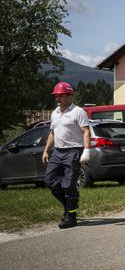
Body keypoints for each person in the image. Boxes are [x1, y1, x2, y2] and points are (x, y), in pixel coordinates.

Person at [41, 82, 91, 229]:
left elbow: (86, 132)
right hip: (57, 152)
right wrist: (46, 150)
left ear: (69, 96)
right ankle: (70, 206)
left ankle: (71, 215)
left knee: (68, 185)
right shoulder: (55, 112)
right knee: (50, 180)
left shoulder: (78, 112)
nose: (58, 98)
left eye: (61, 95)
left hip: (73, 151)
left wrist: (86, 151)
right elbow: (52, 133)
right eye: (56, 95)